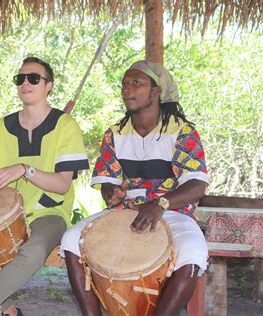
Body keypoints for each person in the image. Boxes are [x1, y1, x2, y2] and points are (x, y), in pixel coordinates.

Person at [60, 60, 209, 315]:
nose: (127, 89)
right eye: (125, 84)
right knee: (71, 240)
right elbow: (107, 178)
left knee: (194, 253)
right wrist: (110, 190)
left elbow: (197, 184)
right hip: (125, 211)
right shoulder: (116, 133)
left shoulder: (181, 131)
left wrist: (160, 204)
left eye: (136, 83)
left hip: (172, 212)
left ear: (155, 91)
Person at [0, 56, 89, 316]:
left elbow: (61, 185)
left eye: (34, 78)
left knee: (34, 249)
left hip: (49, 212)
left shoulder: (65, 126)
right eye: (20, 79)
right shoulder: (1, 127)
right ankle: (7, 310)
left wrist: (25, 170)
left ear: (49, 85)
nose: (26, 83)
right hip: (4, 215)